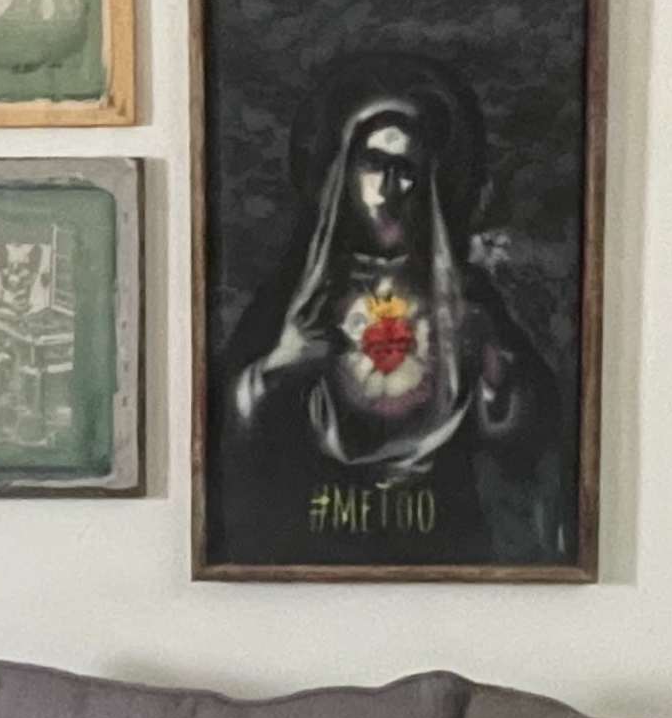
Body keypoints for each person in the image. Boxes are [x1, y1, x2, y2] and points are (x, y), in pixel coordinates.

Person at [216, 53, 569, 567]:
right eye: (374, 164)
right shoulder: (300, 294)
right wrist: (280, 368)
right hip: (313, 535)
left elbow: (532, 433)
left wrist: (493, 369)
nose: (388, 190)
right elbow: (227, 432)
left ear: (428, 180)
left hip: (445, 538)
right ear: (343, 172)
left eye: (405, 170)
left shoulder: (465, 295)